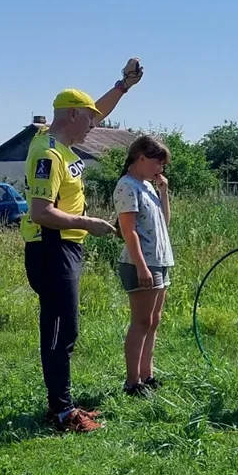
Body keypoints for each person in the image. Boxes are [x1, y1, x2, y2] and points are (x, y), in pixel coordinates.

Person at [20, 60, 144, 432]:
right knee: (60, 330)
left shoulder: (59, 141)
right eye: (89, 118)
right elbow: (41, 212)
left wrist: (123, 86)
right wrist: (89, 223)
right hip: (51, 247)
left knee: (66, 328)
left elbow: (98, 111)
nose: (95, 125)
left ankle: (64, 404)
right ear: (72, 114)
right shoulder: (48, 154)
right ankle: (61, 413)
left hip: (64, 248)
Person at [113, 134, 173, 398]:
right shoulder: (127, 186)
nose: (160, 169)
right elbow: (129, 231)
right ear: (141, 158)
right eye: (158, 163)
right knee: (141, 322)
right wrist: (142, 267)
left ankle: (147, 375)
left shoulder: (147, 186)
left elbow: (164, 222)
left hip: (159, 260)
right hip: (141, 262)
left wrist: (163, 192)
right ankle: (132, 382)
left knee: (153, 321)